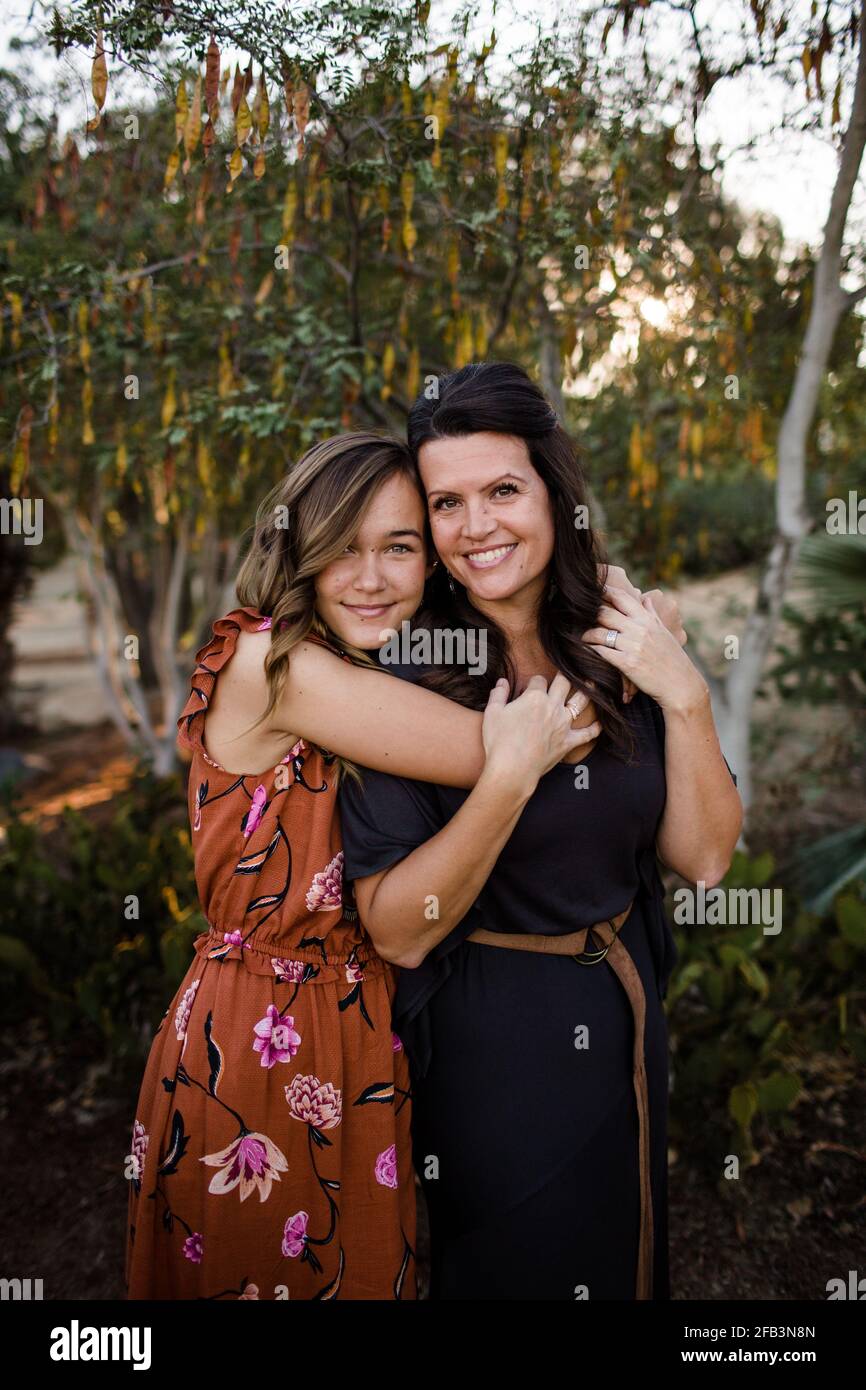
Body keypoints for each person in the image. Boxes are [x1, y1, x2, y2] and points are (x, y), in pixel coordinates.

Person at [126, 430, 647, 1299]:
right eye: (343, 548)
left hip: (363, 1024)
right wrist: (636, 645)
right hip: (259, 1038)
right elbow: (522, 742)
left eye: (399, 547)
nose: (370, 578)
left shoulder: (382, 665)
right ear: (298, 549)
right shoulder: (272, 661)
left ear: (431, 562)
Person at [339, 362, 743, 1300]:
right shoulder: (405, 679)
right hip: (494, 1046)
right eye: (447, 503)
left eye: (503, 491)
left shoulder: (618, 635)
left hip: (627, 1005)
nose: (476, 526)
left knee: (630, 1249)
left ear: (555, 493)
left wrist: (684, 693)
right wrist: (510, 777)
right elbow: (397, 929)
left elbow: (705, 856)